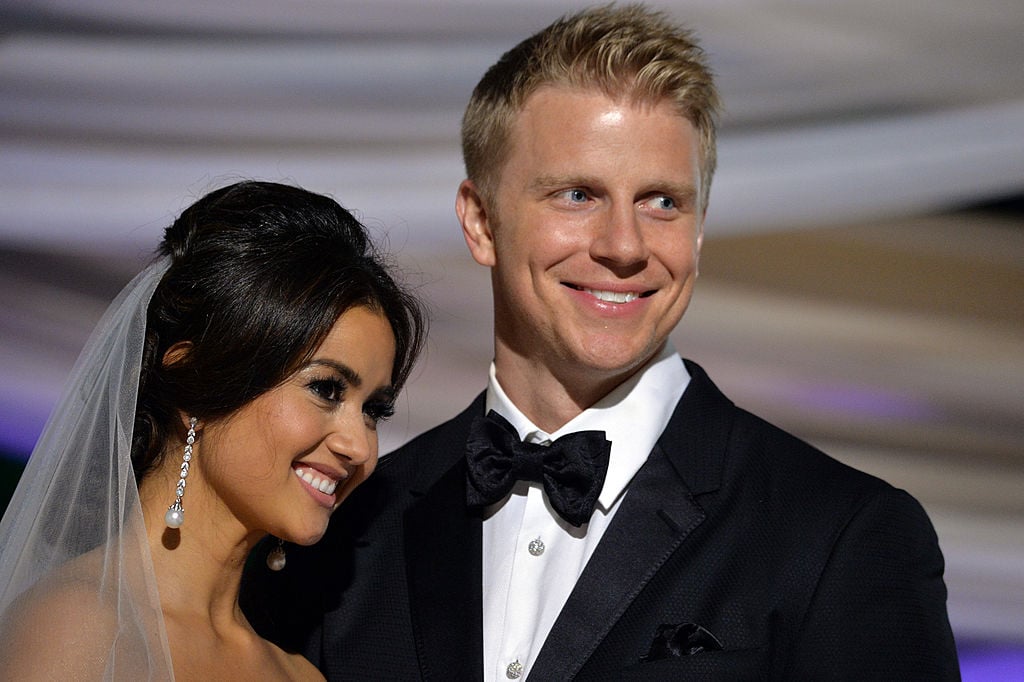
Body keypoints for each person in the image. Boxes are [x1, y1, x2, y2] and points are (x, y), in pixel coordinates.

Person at [243, 5, 960, 680]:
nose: (624, 246)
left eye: (662, 202)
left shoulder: (840, 534)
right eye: (578, 195)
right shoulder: (349, 525)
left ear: (699, 232)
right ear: (481, 223)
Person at [0, 181, 426, 679]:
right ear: (197, 383)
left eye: (374, 410)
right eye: (326, 389)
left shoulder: (300, 674)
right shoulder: (77, 630)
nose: (359, 447)